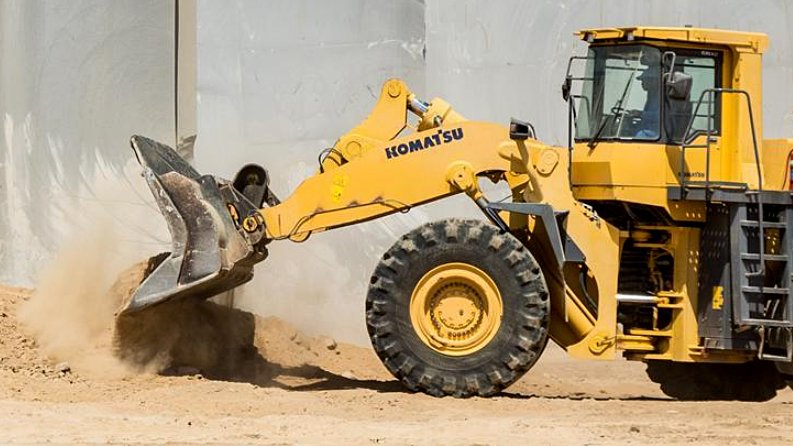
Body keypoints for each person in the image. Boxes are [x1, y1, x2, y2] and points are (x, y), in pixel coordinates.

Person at [634, 52, 661, 138]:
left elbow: (659, 116)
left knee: (640, 135)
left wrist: (640, 114)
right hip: (650, 128)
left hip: (657, 132)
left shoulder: (661, 97)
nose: (642, 83)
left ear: (654, 81)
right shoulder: (651, 95)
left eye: (644, 80)